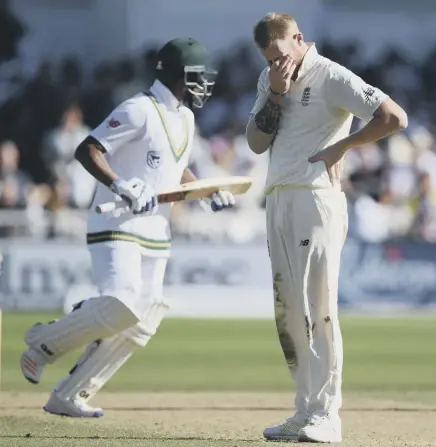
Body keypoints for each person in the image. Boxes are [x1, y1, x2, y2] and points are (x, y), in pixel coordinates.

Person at [20, 37, 235, 418]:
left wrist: (205, 190)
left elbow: (175, 167)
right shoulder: (139, 109)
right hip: (116, 222)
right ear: (175, 74)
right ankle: (43, 340)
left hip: (157, 230)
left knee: (144, 317)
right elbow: (88, 148)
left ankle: (70, 394)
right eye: (196, 76)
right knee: (122, 301)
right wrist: (121, 183)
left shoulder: (185, 117)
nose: (203, 84)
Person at [246, 13, 407, 443]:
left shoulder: (331, 75)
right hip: (278, 195)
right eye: (268, 58)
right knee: (288, 312)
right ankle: (305, 410)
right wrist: (276, 95)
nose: (277, 63)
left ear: (298, 39)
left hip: (315, 198)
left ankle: (328, 416)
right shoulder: (271, 79)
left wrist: (342, 146)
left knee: (319, 307)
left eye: (281, 54)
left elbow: (394, 117)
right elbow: (256, 142)